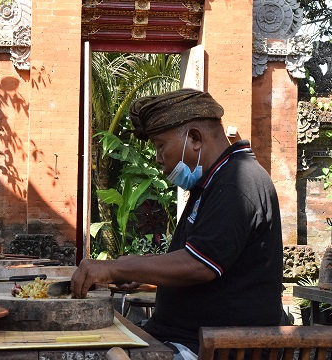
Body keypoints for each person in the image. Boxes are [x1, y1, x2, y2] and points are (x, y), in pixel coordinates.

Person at [71, 89, 284, 359]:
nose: (159, 159)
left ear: (194, 138)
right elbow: (205, 257)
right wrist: (141, 271)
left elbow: (200, 265)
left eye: (161, 146)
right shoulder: (212, 182)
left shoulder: (238, 181)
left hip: (207, 348)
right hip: (177, 336)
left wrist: (114, 267)